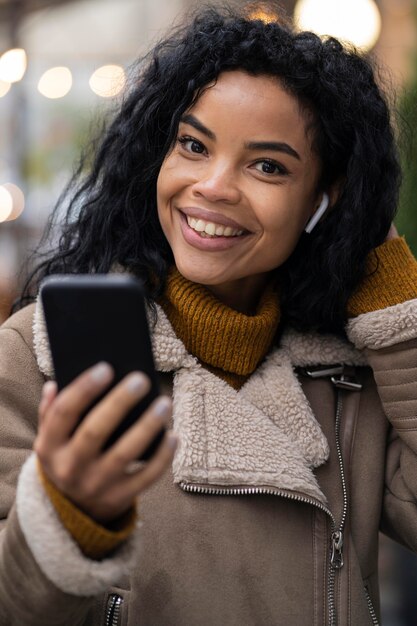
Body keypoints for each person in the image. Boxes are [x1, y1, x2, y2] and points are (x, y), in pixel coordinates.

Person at [1, 4, 417, 625]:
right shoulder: (39, 355)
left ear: (323, 201)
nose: (215, 186)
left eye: (268, 165)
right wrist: (66, 518)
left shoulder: (350, 375)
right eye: (193, 145)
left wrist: (397, 309)